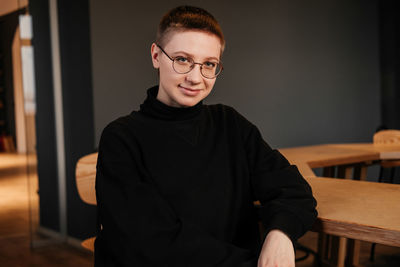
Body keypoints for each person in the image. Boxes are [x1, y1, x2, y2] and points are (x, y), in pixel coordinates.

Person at [95, 5, 317, 267]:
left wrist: (280, 234)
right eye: (182, 59)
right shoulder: (121, 138)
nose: (195, 77)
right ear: (156, 55)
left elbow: (293, 190)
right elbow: (150, 243)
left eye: (209, 64)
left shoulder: (230, 124)